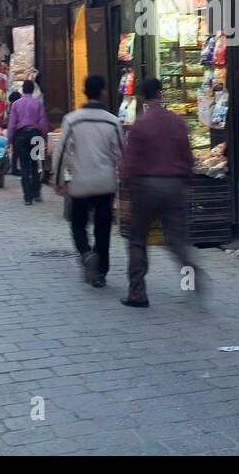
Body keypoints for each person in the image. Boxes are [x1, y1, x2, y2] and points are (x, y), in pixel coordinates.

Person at [119, 77, 202, 306]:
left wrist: (125, 196)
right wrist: (187, 181)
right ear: (161, 95)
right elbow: (187, 156)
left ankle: (137, 293)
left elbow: (130, 162)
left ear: (141, 98)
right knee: (177, 240)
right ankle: (193, 277)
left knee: (137, 239)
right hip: (174, 185)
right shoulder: (177, 121)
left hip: (145, 187)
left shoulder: (140, 124)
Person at [54, 74, 124, 287]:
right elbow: (122, 154)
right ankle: (101, 272)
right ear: (103, 92)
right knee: (103, 228)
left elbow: (61, 151)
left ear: (84, 92)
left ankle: (86, 254)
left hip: (81, 182)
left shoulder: (73, 119)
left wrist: (58, 181)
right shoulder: (112, 121)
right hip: (105, 182)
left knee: (78, 224)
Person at [7, 79, 48, 205]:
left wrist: (9, 141)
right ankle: (36, 194)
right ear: (33, 90)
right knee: (35, 165)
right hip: (35, 135)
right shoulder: (38, 104)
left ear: (23, 90)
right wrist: (45, 139)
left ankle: (27, 197)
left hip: (21, 136)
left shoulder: (16, 105)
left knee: (24, 167)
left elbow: (12, 124)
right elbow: (43, 123)